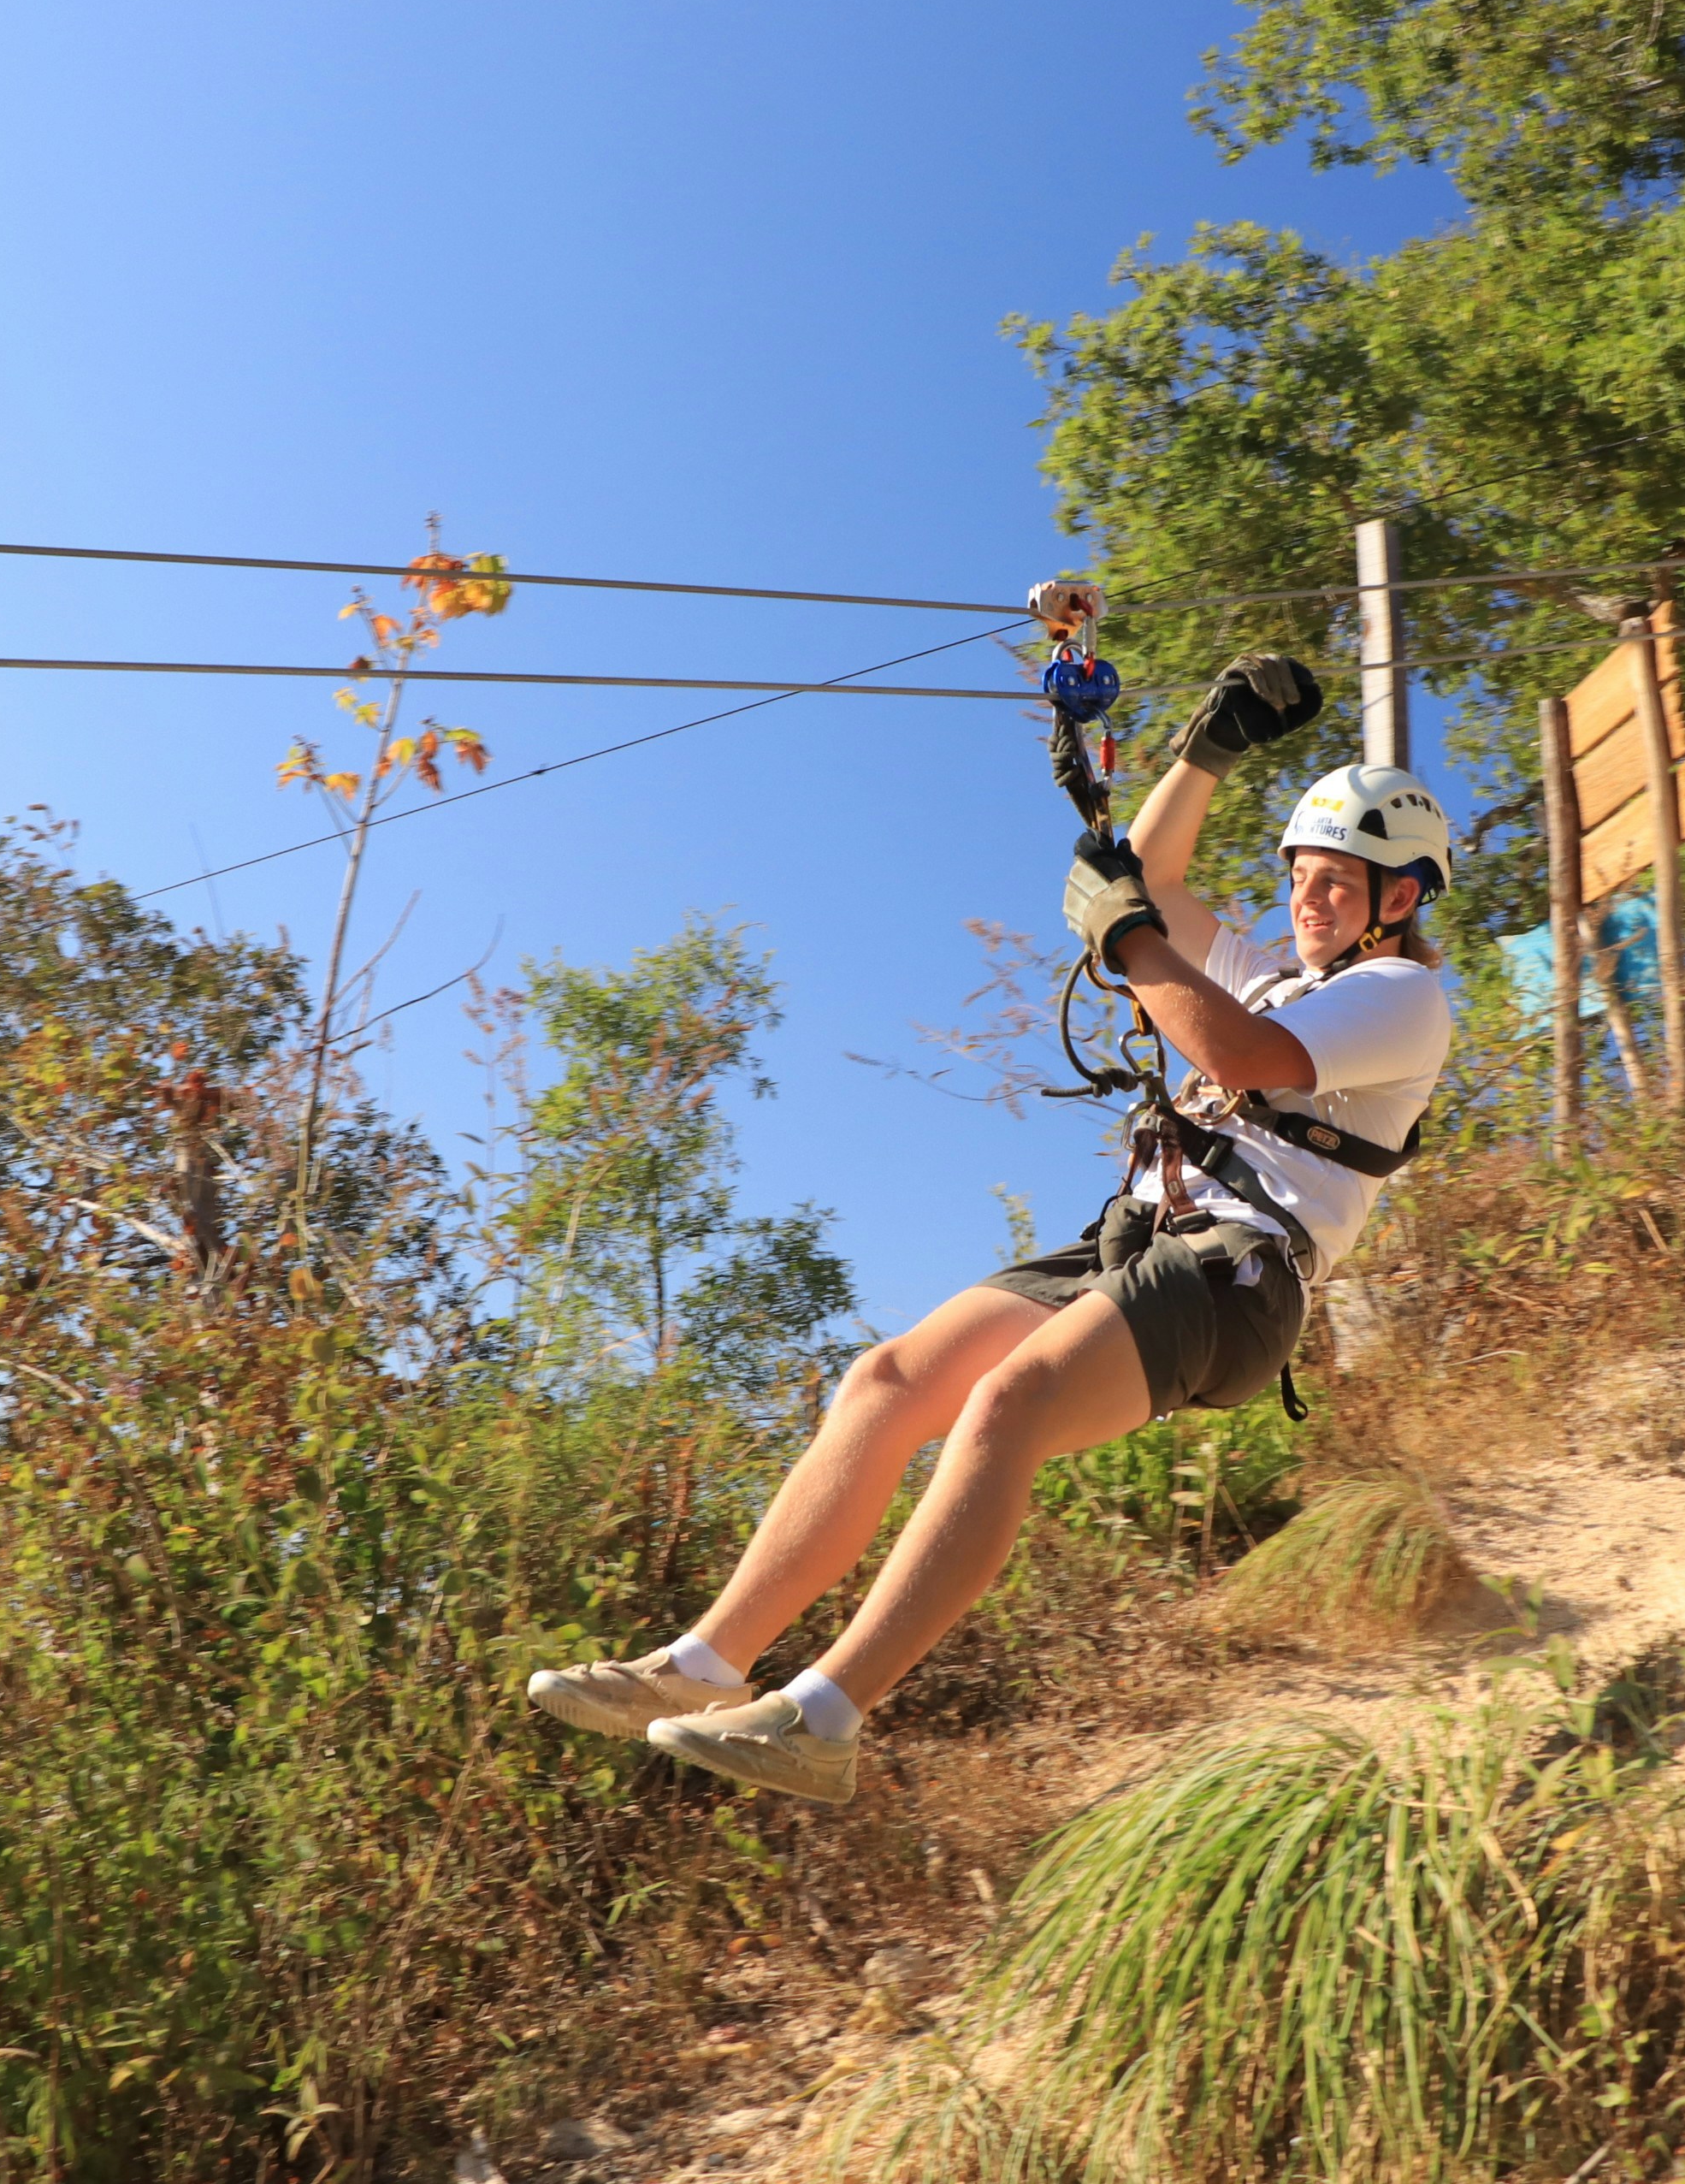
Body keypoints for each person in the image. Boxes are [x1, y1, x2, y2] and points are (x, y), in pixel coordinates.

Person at [520, 654, 1451, 1803]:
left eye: (1338, 884)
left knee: (1006, 1407)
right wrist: (1211, 746)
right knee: (888, 1379)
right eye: (1301, 878)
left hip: (1237, 1275)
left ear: (1398, 899)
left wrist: (1129, 944)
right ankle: (700, 1665)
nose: (1308, 900)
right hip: (1144, 1236)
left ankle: (823, 1714)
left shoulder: (1406, 998)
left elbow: (1233, 1055)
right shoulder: (1269, 975)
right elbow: (1148, 877)